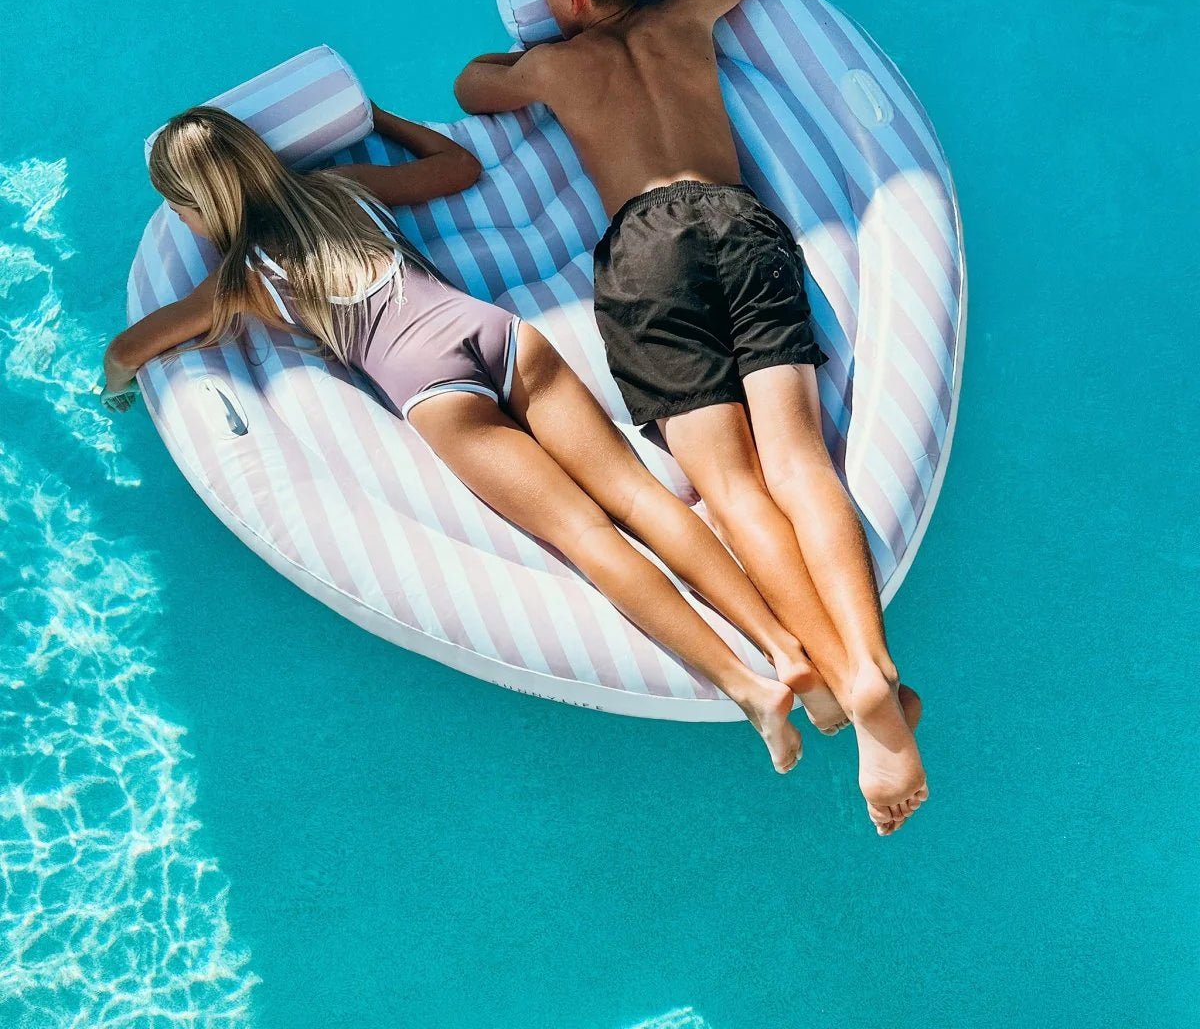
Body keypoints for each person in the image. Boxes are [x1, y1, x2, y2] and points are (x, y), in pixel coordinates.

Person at [102, 103, 855, 774]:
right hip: (500, 335)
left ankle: (752, 689)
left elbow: (127, 351)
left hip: (438, 394)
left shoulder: (236, 280)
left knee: (590, 536)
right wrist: (378, 117)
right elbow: (457, 168)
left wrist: (117, 393)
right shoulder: (342, 190)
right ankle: (791, 652)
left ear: (193, 209)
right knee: (641, 498)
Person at [454, 0, 927, 835]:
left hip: (647, 252)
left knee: (732, 484)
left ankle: (840, 677)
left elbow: (473, 85)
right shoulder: (687, 12)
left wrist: (541, 41)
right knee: (798, 461)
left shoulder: (555, 66)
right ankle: (872, 667)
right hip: (742, 222)